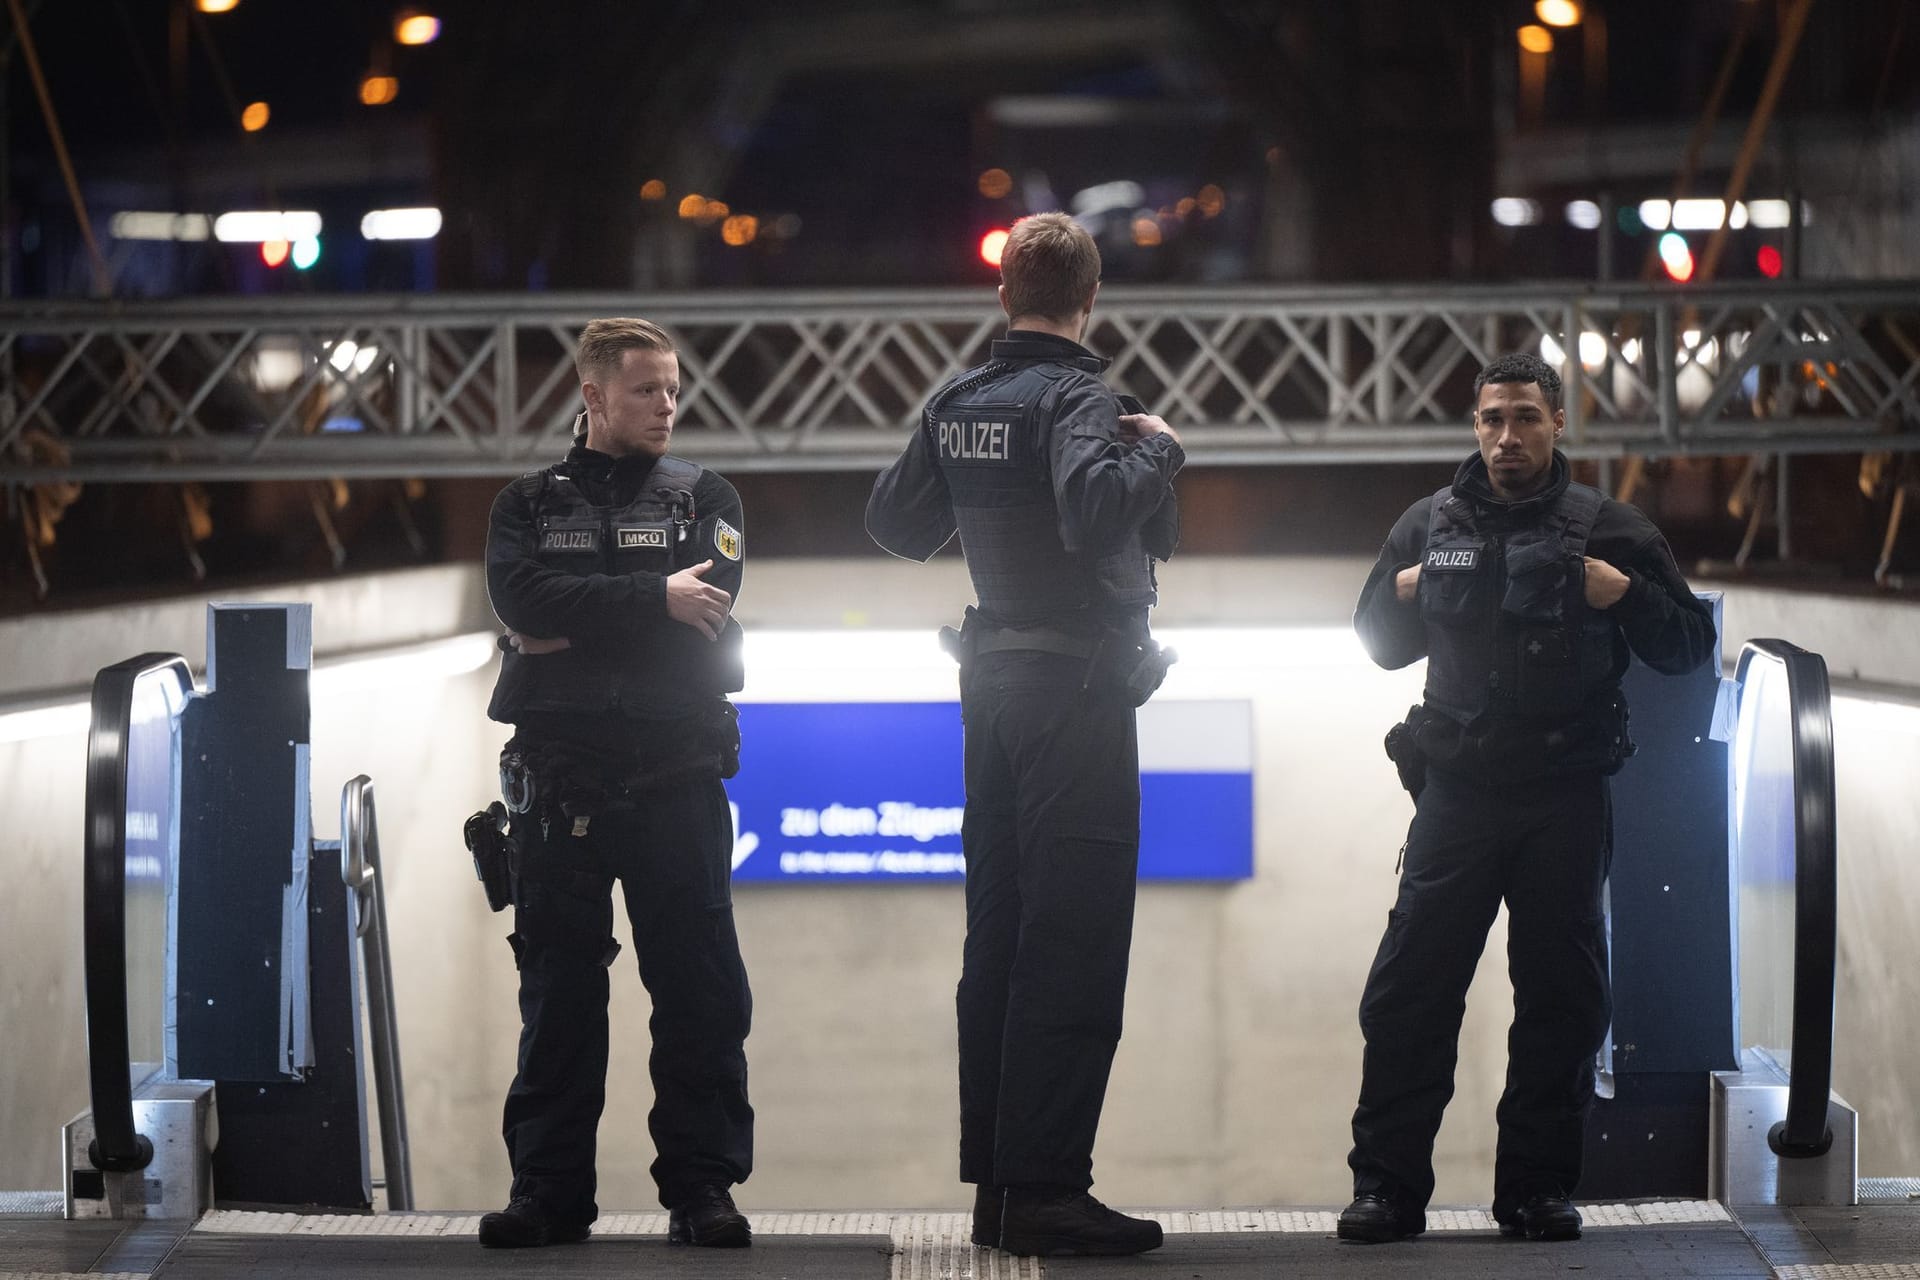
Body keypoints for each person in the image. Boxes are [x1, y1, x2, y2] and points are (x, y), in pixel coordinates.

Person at [1337, 351, 1717, 1245]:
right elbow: (1376, 643)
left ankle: (1535, 1191)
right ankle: (1387, 1191)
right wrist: (1400, 595)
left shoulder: (1610, 528)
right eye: (1492, 420)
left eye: (1526, 420)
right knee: (1409, 995)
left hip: (1562, 798)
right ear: (1475, 428)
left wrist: (1622, 595)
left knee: (1560, 1000)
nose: (1507, 437)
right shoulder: (1428, 524)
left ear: (1557, 424)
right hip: (1457, 797)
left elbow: (1688, 644)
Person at [866, 212, 1184, 1258]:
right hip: (1075, 691)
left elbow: (895, 522)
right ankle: (1050, 1185)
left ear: (1005, 294)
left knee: (998, 935)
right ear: (1089, 301)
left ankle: (998, 1190)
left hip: (990, 689)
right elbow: (1095, 510)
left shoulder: (957, 397)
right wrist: (1161, 454)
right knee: (1074, 932)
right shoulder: (1082, 394)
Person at [477, 317, 754, 1250]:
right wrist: (651, 599)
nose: (667, 406)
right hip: (559, 788)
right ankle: (548, 1195)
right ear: (593, 398)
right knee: (558, 996)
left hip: (677, 779)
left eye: (673, 389)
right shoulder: (523, 504)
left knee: (700, 993)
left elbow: (706, 606)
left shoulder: (704, 496)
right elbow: (523, 603)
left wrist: (577, 622)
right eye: (646, 391)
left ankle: (702, 1192)